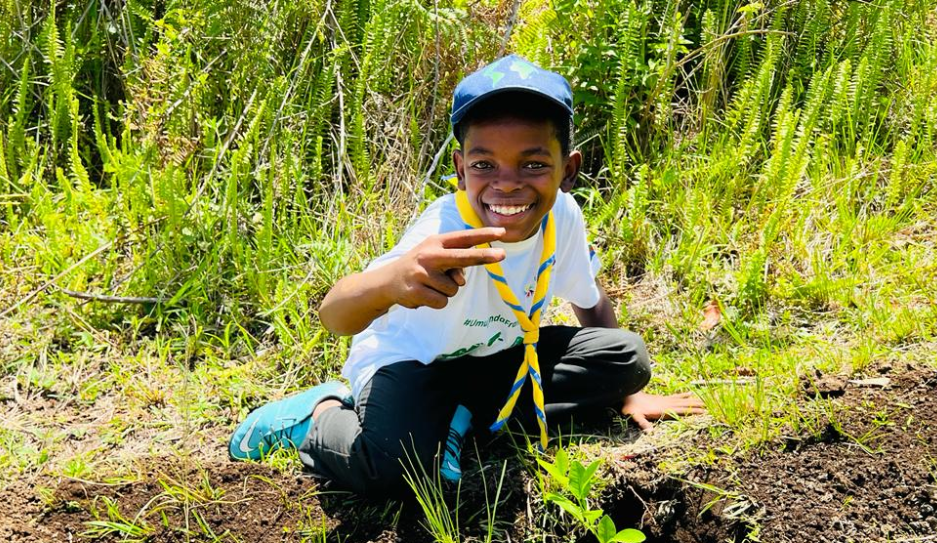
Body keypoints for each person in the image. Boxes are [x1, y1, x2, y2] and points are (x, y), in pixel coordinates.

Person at [229, 54, 704, 496]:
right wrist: (396, 279)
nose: (508, 182)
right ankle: (317, 415)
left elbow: (590, 300)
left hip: (493, 363)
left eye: (534, 164)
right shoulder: (442, 230)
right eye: (484, 164)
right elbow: (334, 314)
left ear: (568, 170)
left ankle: (463, 417)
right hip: (412, 364)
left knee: (625, 357)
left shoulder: (563, 216)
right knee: (397, 468)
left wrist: (628, 395)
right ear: (460, 169)